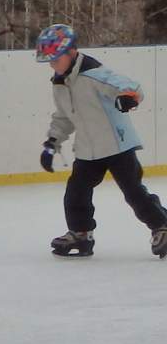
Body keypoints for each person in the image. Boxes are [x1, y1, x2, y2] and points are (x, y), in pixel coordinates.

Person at [34, 23, 164, 258]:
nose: (52, 64)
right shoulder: (60, 82)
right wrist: (51, 143)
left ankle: (162, 226)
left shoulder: (94, 73)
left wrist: (128, 98)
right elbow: (64, 116)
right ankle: (81, 233)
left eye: (55, 58)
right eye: (49, 60)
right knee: (76, 192)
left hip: (117, 145)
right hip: (87, 150)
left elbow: (130, 86)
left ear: (71, 52)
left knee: (133, 192)